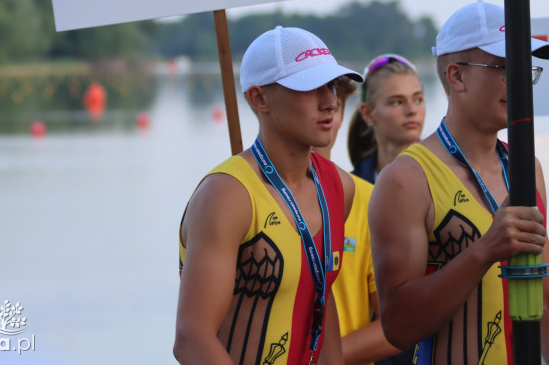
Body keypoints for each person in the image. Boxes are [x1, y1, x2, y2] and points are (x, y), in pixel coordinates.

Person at [369, 0, 549, 364]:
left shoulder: (526, 168)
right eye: (503, 68)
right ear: (456, 76)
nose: (518, 81)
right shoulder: (405, 179)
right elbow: (399, 326)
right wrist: (485, 250)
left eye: (525, 68)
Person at [174, 25, 362, 365]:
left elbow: (320, 295)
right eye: (311, 88)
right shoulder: (227, 195)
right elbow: (191, 339)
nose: (331, 102)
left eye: (332, 86)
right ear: (259, 98)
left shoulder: (339, 186)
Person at [314, 73, 406, 365]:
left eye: (336, 101)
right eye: (310, 96)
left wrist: (319, 360)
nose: (328, 107)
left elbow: (395, 326)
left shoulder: (370, 199)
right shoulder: (237, 195)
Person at [348, 54, 425, 184]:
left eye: (417, 100)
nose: (412, 110)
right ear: (368, 114)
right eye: (397, 102)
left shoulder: (450, 176)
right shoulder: (350, 190)